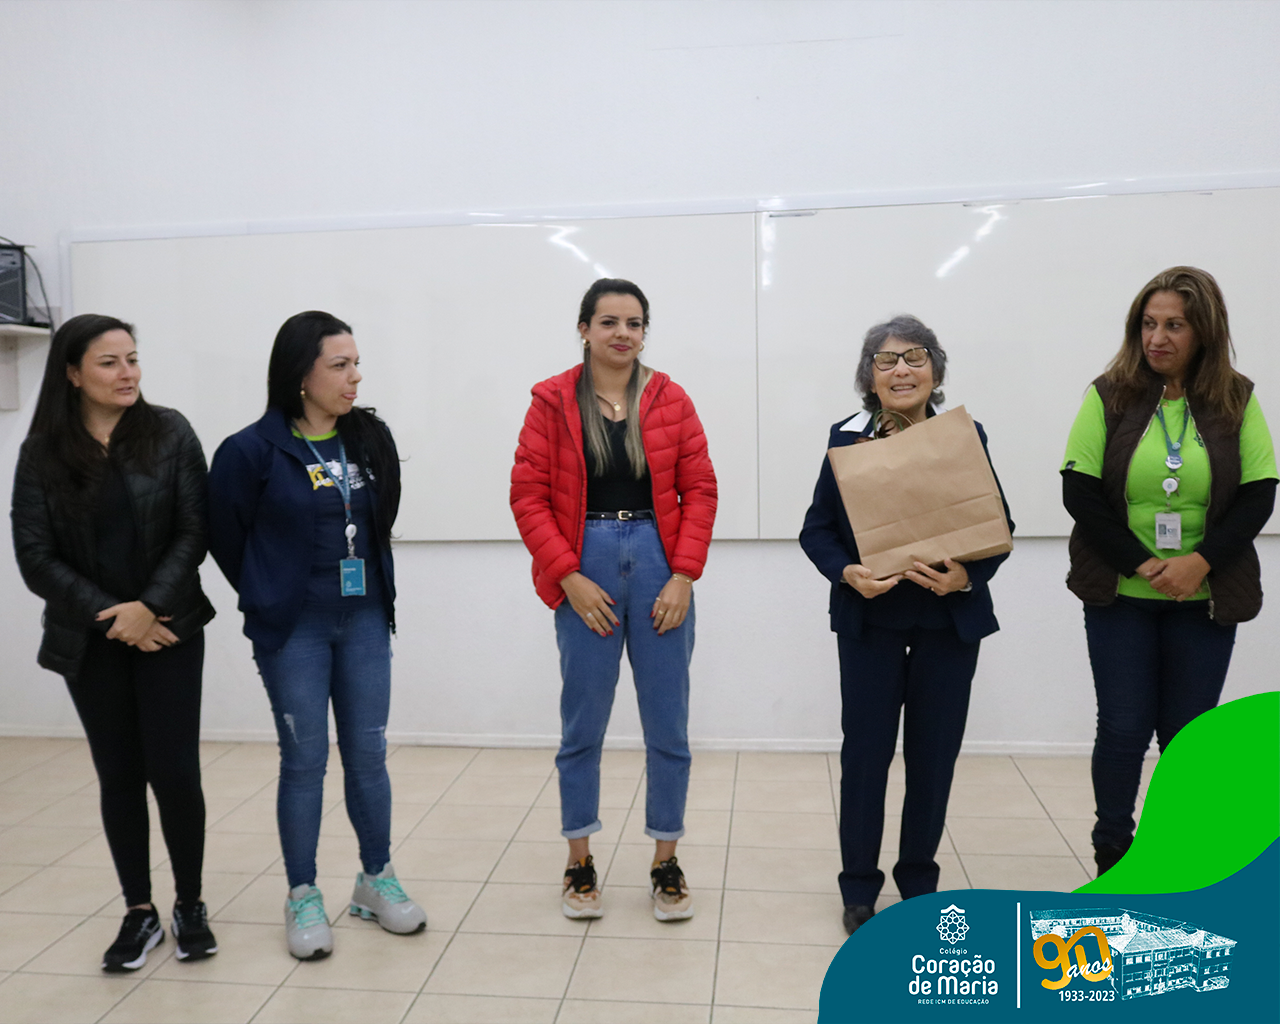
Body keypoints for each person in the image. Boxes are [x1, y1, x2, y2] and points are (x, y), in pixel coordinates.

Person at [207, 310, 425, 960]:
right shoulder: (250, 450)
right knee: (304, 763)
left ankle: (375, 879)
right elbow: (225, 536)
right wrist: (269, 592)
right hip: (294, 629)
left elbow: (382, 512)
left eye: (356, 364)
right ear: (301, 374)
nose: (355, 377)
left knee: (368, 754)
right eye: (340, 365)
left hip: (364, 619)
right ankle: (302, 893)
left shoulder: (369, 438)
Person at [11, 314, 218, 970]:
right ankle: (140, 910)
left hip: (168, 631)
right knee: (120, 775)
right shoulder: (42, 453)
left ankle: (190, 904)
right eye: (110, 362)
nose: (128, 372)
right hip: (92, 641)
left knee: (176, 773)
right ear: (73, 373)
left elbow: (195, 529)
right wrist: (114, 616)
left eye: (132, 358)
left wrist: (148, 607)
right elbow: (35, 557)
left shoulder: (170, 432)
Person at [510, 278, 717, 921]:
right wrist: (568, 576)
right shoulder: (551, 401)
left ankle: (665, 861)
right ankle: (579, 860)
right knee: (583, 724)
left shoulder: (670, 398)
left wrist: (683, 575)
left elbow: (700, 489)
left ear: (644, 332)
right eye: (608, 322)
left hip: (659, 562)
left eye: (634, 323)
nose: (622, 333)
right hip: (586, 564)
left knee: (668, 725)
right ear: (584, 329)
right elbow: (528, 496)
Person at [799, 315, 1013, 935]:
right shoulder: (846, 439)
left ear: (936, 371)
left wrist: (966, 577)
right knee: (866, 757)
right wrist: (847, 573)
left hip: (948, 621)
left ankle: (919, 883)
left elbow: (998, 526)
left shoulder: (965, 436)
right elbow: (817, 530)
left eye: (915, 358)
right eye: (887, 360)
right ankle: (858, 888)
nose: (901, 370)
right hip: (872, 620)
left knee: (933, 758)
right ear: (869, 376)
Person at [1061, 266, 1276, 877]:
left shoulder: (1236, 398)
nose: (1157, 338)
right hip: (1120, 594)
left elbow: (1259, 494)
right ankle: (1113, 853)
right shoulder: (1109, 394)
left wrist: (1199, 563)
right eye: (1148, 324)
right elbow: (1079, 491)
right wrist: (1146, 564)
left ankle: (1176, 854)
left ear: (1204, 330)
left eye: (1174, 325)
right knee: (1123, 728)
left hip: (1204, 598)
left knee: (1187, 736)